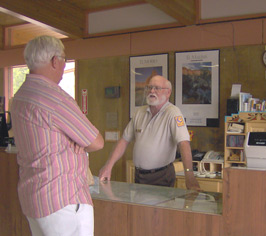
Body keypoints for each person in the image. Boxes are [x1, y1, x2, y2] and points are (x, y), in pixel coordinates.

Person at [10, 35, 104, 236]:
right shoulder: (54, 98)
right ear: (55, 61)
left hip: (33, 196)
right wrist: (76, 144)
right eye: (64, 60)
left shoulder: (19, 96)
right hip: (63, 199)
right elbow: (96, 142)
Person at [99, 75, 200, 190]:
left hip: (161, 177)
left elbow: (184, 144)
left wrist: (190, 176)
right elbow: (124, 140)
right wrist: (108, 166)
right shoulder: (139, 112)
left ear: (168, 93)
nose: (152, 91)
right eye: (149, 87)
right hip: (139, 176)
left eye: (157, 88)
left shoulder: (173, 113)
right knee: (139, 208)